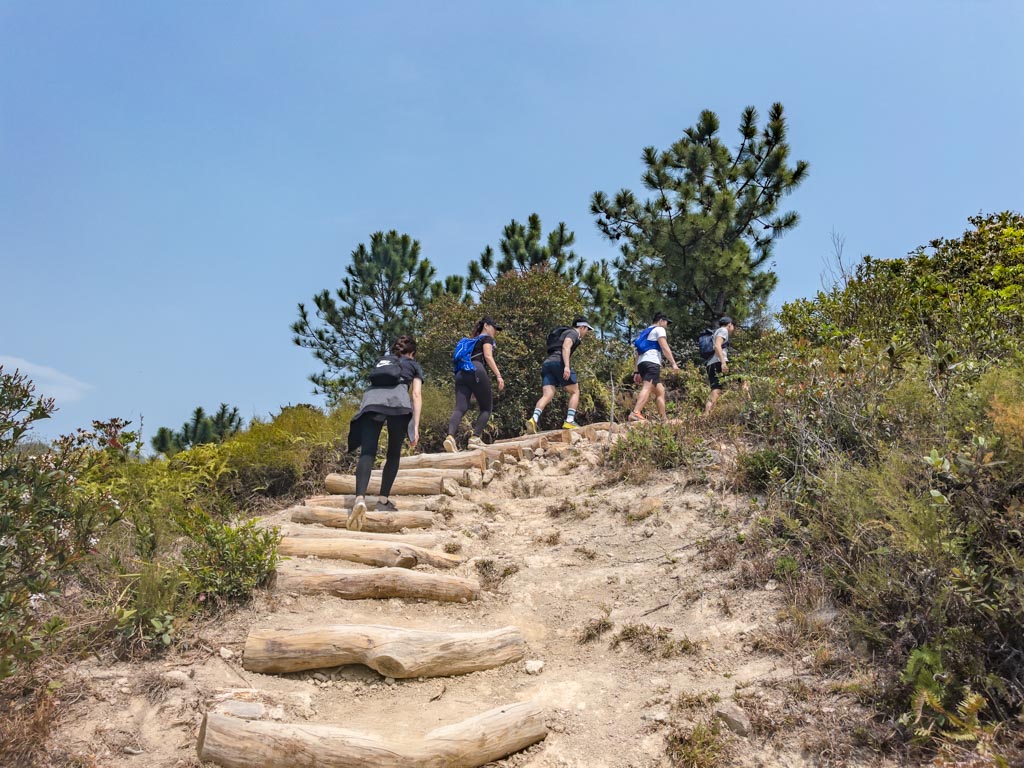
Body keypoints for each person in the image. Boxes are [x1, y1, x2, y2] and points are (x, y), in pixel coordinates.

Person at [346, 335, 423, 530]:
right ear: (412, 352)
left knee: (368, 452)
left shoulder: (383, 361)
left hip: (371, 402)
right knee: (393, 452)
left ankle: (360, 499)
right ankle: (383, 500)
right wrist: (414, 425)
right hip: (397, 403)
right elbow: (416, 394)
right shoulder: (413, 365)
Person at [443, 317, 505, 452]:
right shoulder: (486, 338)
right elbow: (488, 356)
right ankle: (475, 438)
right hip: (476, 369)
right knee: (486, 408)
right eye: (494, 328)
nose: (495, 331)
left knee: (460, 407)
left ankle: (450, 437)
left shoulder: (470, 341)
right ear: (487, 326)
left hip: (461, 373)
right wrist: (499, 376)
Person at [526, 317, 593, 433]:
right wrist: (566, 366)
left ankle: (533, 419)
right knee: (575, 391)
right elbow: (566, 346)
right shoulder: (573, 333)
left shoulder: (563, 332)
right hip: (559, 361)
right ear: (582, 327)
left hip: (548, 363)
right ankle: (570, 420)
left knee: (548, 394)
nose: (587, 332)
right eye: (587, 329)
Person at [628, 311, 679, 422]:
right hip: (652, 362)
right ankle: (636, 412)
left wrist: (636, 371)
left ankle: (663, 418)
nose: (667, 326)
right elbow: (665, 347)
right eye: (666, 323)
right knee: (648, 387)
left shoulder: (645, 332)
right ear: (661, 321)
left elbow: (637, 353)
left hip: (642, 363)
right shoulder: (659, 329)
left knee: (660, 391)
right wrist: (673, 363)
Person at [703, 316, 735, 416]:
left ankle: (707, 414)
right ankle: (749, 405)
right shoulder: (723, 330)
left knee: (716, 390)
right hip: (718, 363)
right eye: (732, 325)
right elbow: (717, 346)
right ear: (729, 324)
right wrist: (723, 363)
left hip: (711, 364)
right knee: (744, 379)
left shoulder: (716, 332)